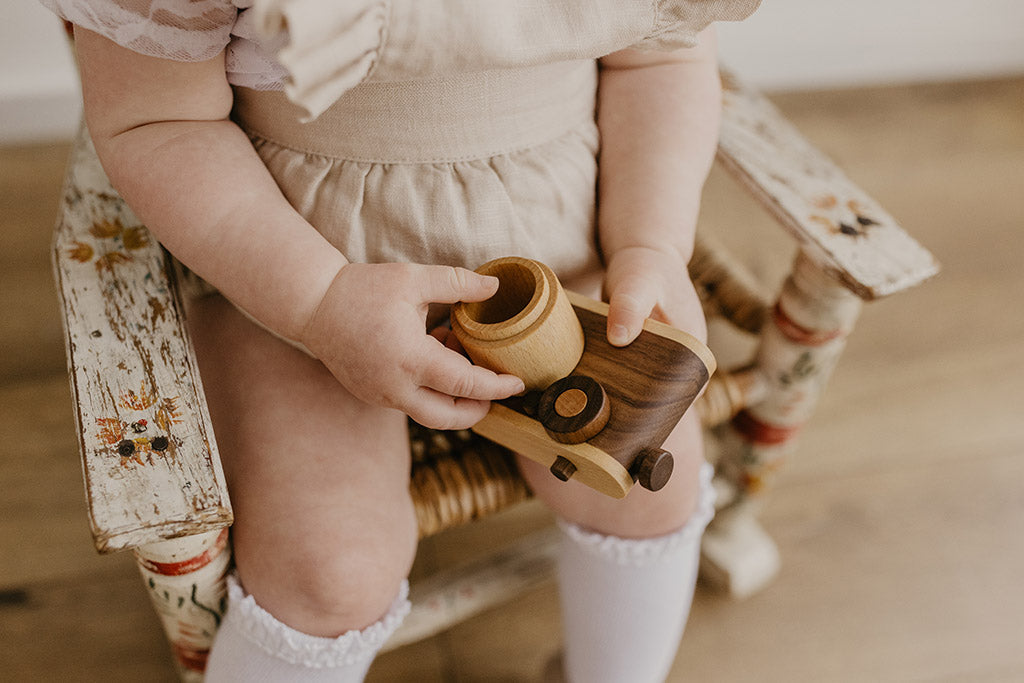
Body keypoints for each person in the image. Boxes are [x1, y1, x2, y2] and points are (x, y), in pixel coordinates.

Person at [43, 1, 760, 680]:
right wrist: (319, 301)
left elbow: (660, 61)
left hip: (560, 270)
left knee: (649, 485)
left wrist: (651, 239)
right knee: (328, 568)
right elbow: (158, 120)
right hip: (293, 270)